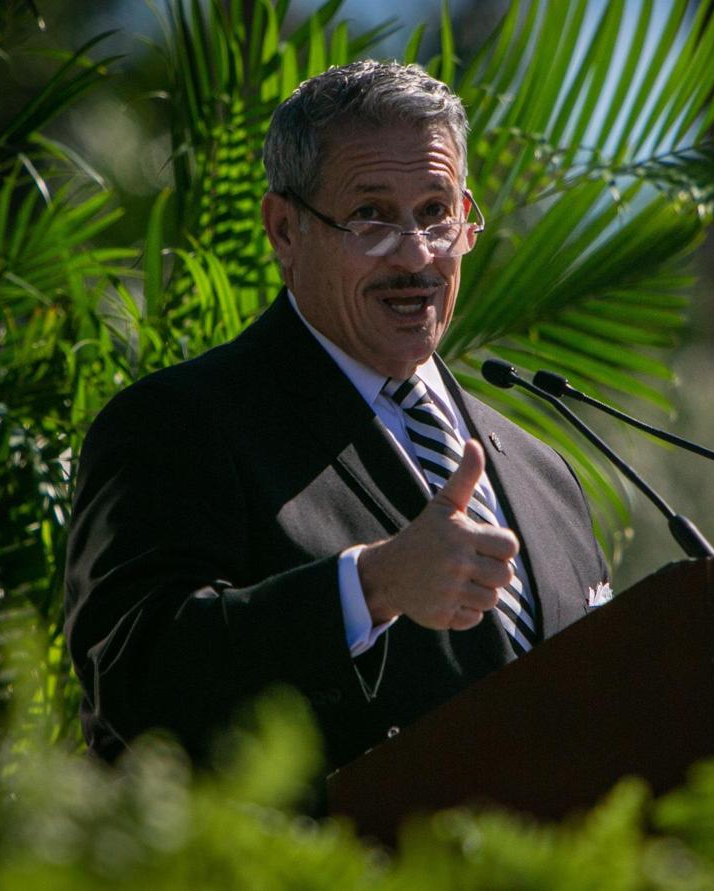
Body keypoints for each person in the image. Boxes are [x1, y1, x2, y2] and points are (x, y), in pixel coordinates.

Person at [64, 60, 609, 772]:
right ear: (285, 229)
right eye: (372, 216)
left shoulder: (545, 476)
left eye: (437, 213)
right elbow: (133, 680)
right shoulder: (179, 424)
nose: (416, 256)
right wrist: (372, 586)